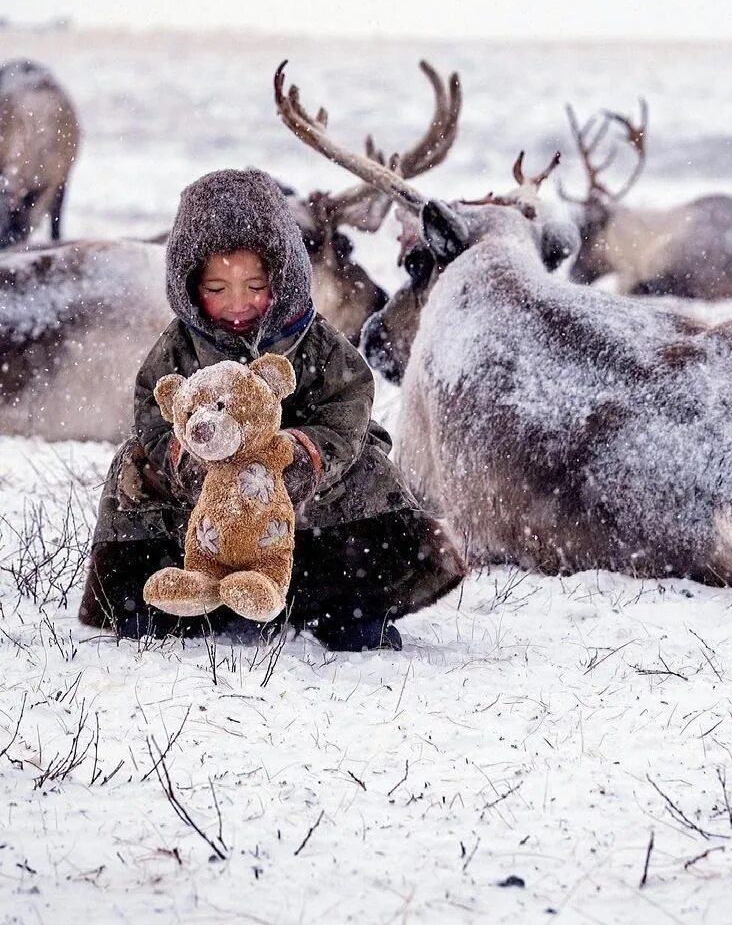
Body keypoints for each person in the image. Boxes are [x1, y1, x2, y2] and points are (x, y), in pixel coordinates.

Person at [79, 168, 465, 649]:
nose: (237, 303)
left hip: (301, 499)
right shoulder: (180, 346)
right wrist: (187, 463)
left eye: (254, 285)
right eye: (216, 289)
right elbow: (154, 414)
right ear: (189, 286)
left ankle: (350, 604)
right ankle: (151, 600)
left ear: (282, 277)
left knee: (368, 468)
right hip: (206, 508)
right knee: (131, 472)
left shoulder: (315, 341)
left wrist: (303, 458)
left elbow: (349, 409)